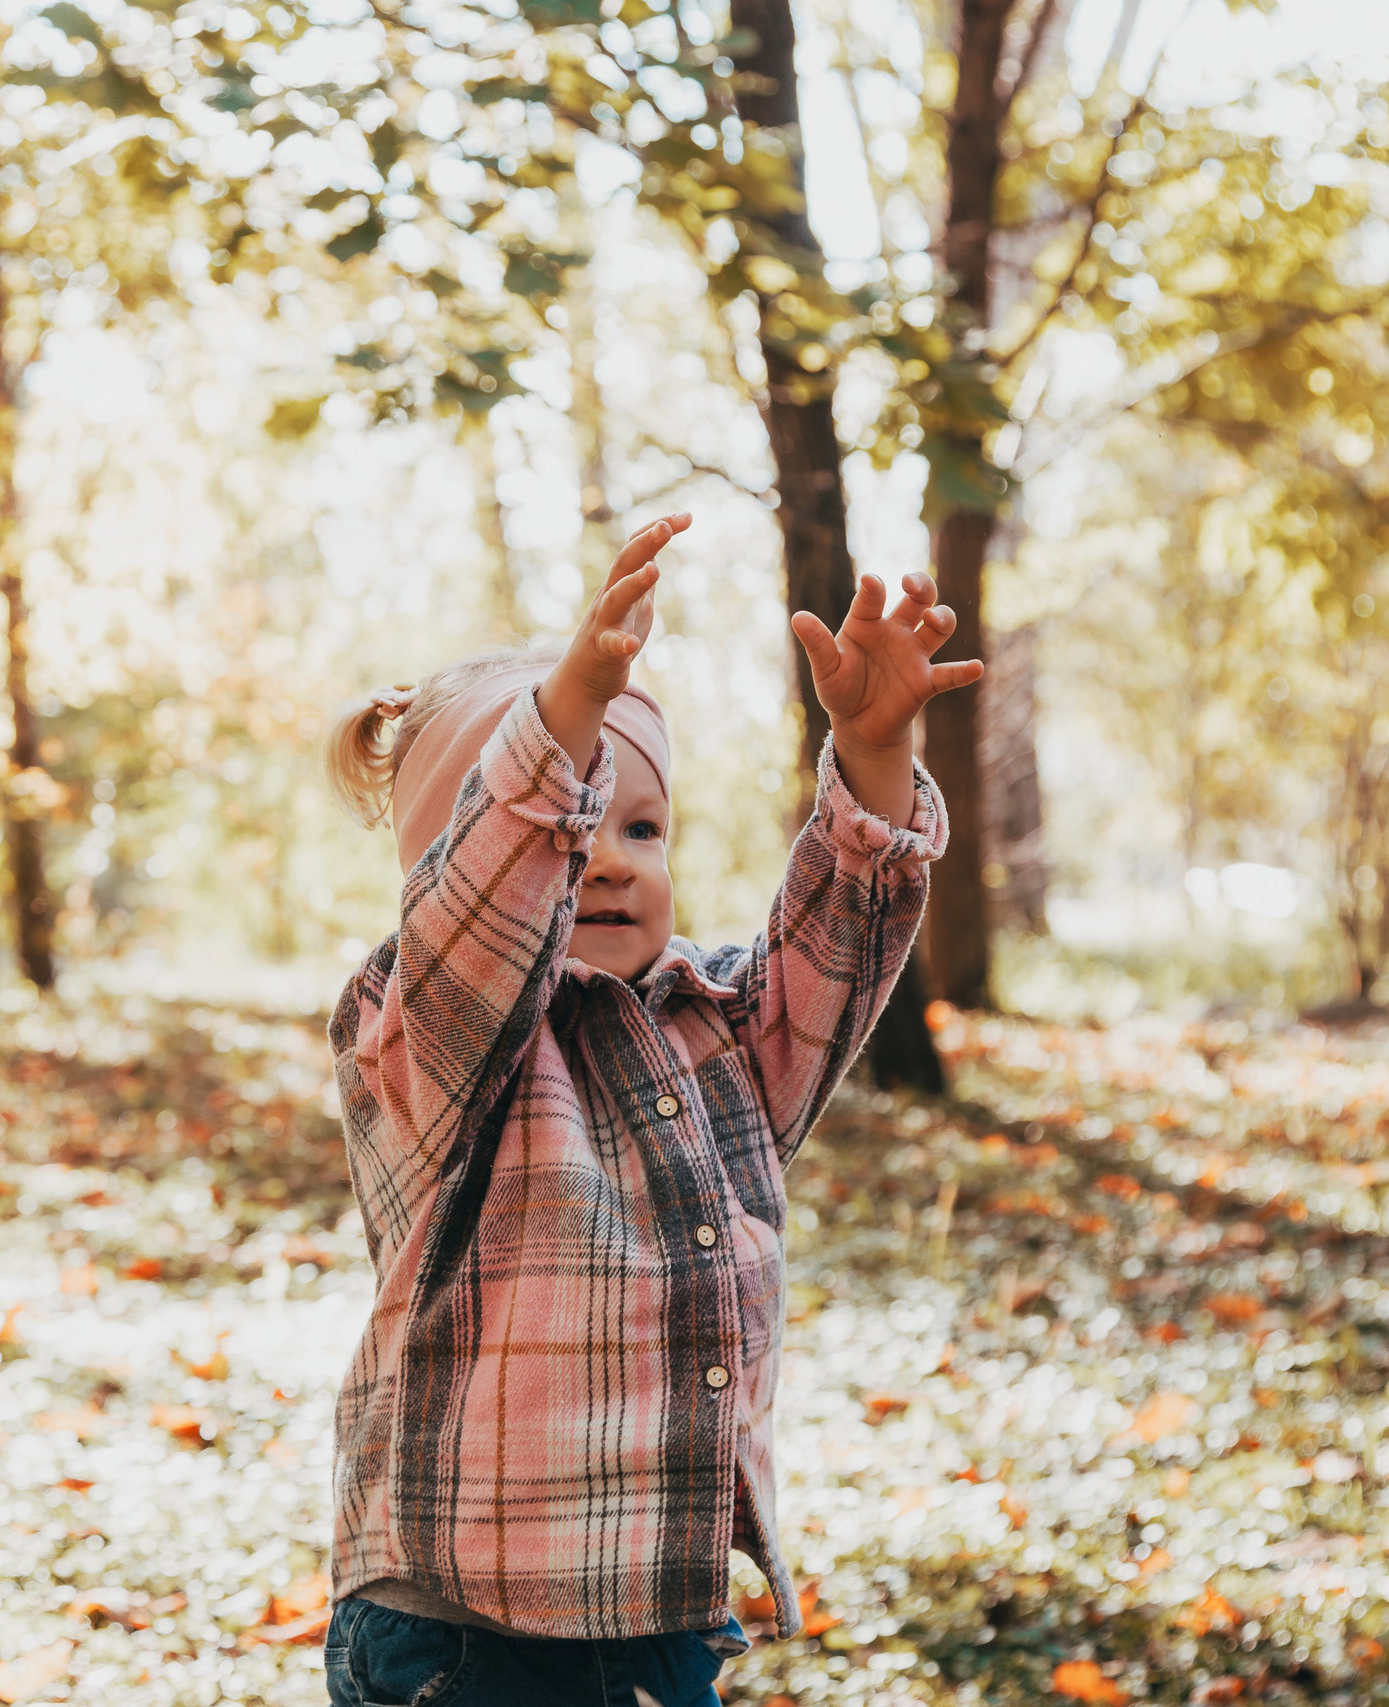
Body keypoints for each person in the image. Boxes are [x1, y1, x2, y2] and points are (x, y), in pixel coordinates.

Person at [318, 513, 979, 1707]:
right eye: (575, 831)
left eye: (639, 827)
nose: (610, 861)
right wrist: (560, 724)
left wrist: (875, 757)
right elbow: (481, 918)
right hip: (468, 1631)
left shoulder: (712, 1028)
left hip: (657, 1610)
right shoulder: (421, 1035)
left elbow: (841, 943)